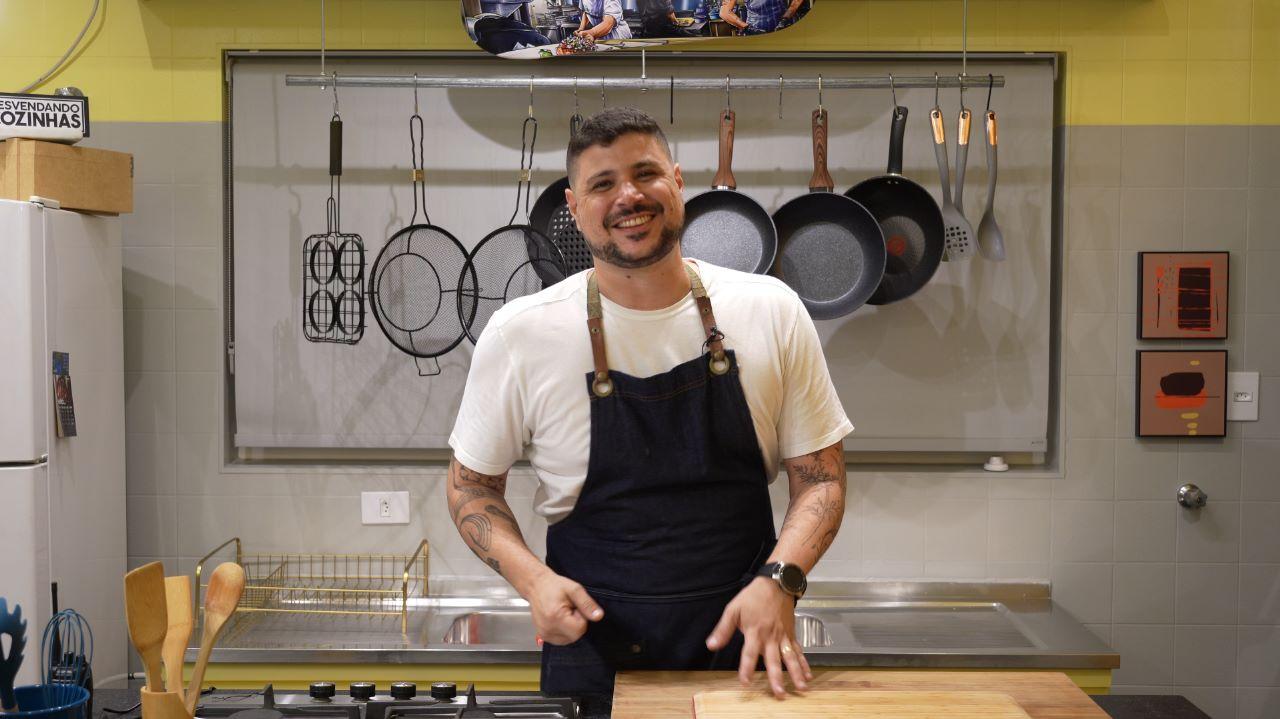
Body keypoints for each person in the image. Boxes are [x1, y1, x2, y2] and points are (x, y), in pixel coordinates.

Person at [447, 107, 852, 706]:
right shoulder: (520, 335)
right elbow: (470, 487)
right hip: (593, 657)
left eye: (645, 173)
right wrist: (533, 582)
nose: (628, 196)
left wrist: (781, 583)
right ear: (575, 205)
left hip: (744, 648)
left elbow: (821, 481)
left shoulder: (771, 311)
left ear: (678, 180)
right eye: (602, 184)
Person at [719, 0, 804, 34]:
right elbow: (724, 12)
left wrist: (785, 18)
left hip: (783, 29)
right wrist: (747, 28)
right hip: (755, 31)